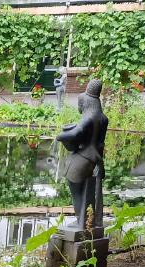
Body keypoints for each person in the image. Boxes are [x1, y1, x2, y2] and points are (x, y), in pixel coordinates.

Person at [55, 78, 109, 233]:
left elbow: (76, 134)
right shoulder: (103, 119)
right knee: (88, 191)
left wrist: (60, 136)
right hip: (93, 160)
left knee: (77, 192)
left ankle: (81, 222)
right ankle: (87, 221)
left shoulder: (88, 117)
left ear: (86, 102)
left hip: (81, 159)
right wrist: (100, 165)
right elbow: (100, 145)